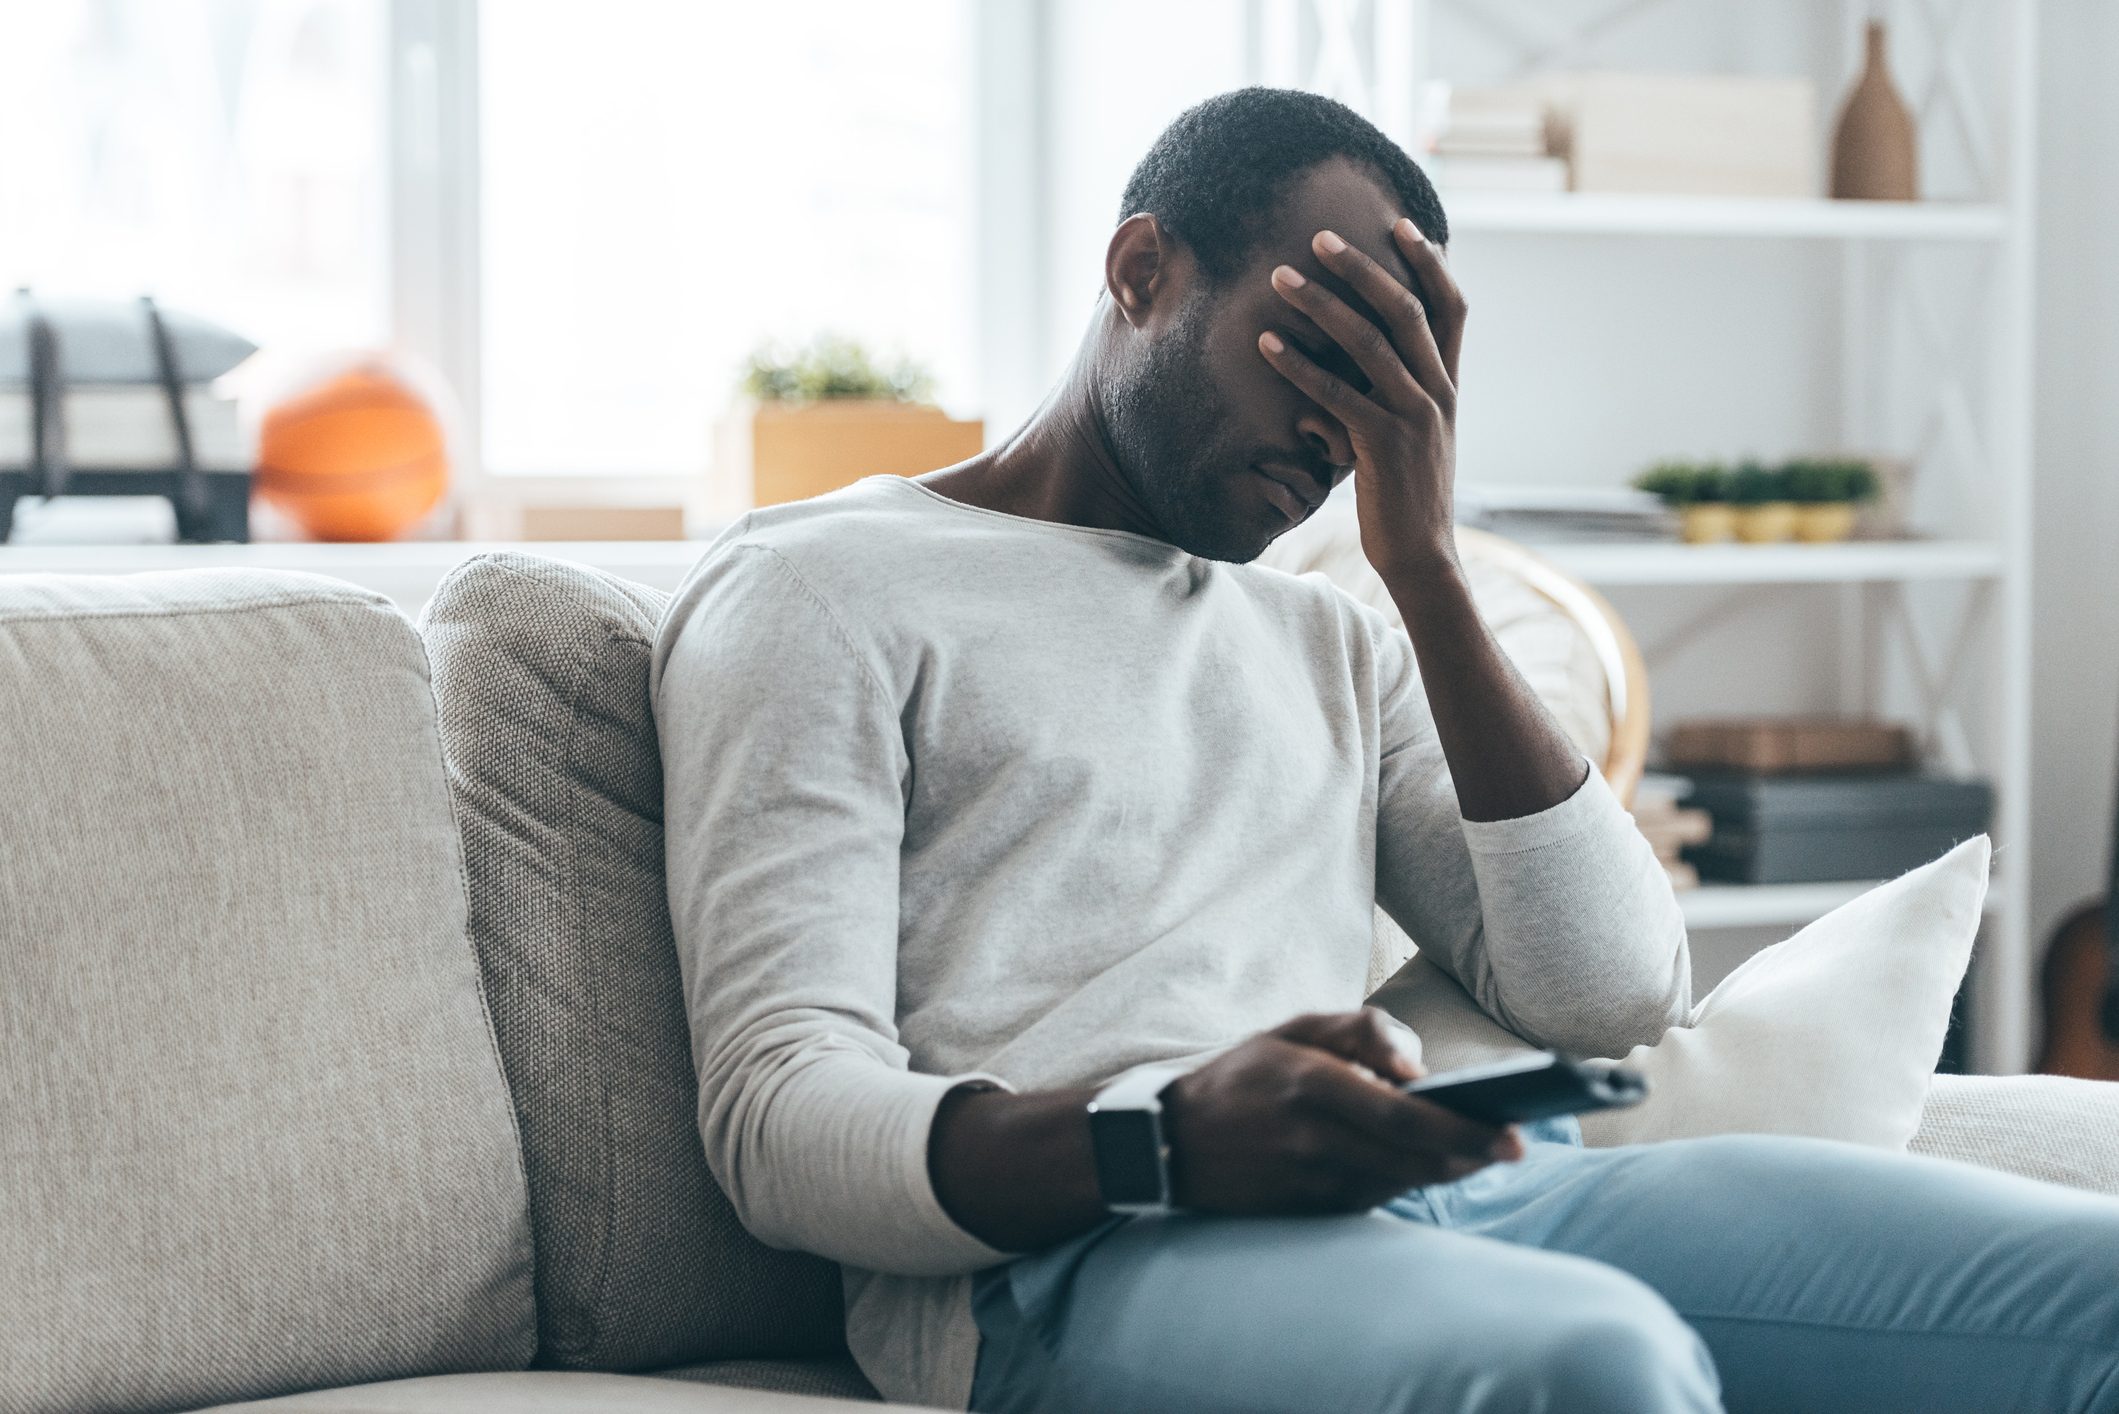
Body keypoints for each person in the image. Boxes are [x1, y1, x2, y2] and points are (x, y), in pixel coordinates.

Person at [650, 87, 2119, 1413]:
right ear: (1143, 272)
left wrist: (1422, 566)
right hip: (1081, 1259)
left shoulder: (1330, 634)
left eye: (1390, 383)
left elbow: (1609, 990)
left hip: (1457, 1203)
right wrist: (1159, 1137)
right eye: (1318, 349)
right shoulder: (819, 585)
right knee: (1594, 1366)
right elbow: (778, 1112)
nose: (1337, 426)